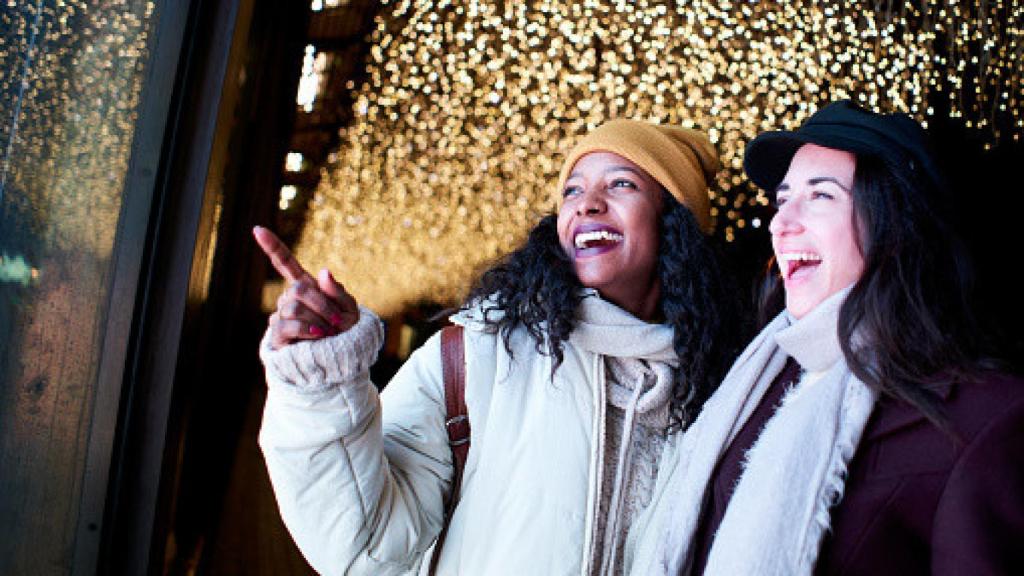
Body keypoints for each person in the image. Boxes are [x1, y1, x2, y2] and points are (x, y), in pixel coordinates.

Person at [254, 119, 743, 575]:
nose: (586, 203)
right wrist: (322, 380)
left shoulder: (725, 391)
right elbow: (362, 544)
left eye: (621, 184)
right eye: (573, 189)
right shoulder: (478, 356)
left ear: (673, 222)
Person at [630, 100, 1024, 575]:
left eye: (821, 196)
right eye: (782, 199)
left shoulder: (984, 418)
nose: (781, 222)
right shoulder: (754, 388)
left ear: (892, 224)